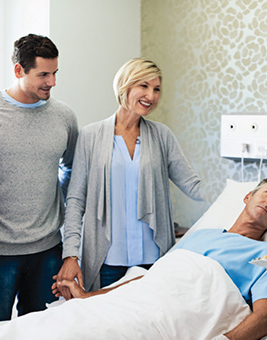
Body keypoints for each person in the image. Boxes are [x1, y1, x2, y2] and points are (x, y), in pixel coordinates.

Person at [54, 175, 267, 340]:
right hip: (143, 302)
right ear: (247, 197)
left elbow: (266, 317)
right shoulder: (201, 235)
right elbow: (151, 281)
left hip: (181, 314)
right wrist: (87, 297)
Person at [56, 57, 203, 295]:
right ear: (125, 86)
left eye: (156, 89)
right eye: (143, 86)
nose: (151, 96)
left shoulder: (162, 136)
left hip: (153, 259)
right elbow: (75, 201)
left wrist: (237, 197)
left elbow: (193, 186)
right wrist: (71, 254)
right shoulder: (90, 136)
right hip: (107, 261)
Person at [0, 34, 78, 322]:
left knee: (44, 330)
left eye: (55, 73)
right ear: (19, 70)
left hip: (49, 250)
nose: (51, 82)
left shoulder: (64, 117)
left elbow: (72, 170)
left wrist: (57, 211)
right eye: (43, 74)